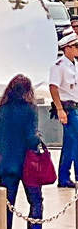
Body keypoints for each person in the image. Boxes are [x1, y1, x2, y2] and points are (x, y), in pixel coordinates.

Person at [0, 74, 55, 229]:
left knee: (7, 206)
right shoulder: (29, 109)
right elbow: (31, 137)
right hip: (27, 165)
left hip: (6, 165)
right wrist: (40, 143)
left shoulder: (2, 109)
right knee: (35, 201)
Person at [48, 31, 78, 187]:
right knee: (74, 141)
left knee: (70, 143)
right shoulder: (59, 66)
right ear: (67, 48)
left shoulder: (75, 65)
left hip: (75, 106)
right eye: (75, 46)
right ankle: (68, 175)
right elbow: (53, 87)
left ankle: (64, 176)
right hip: (67, 107)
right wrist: (59, 109)